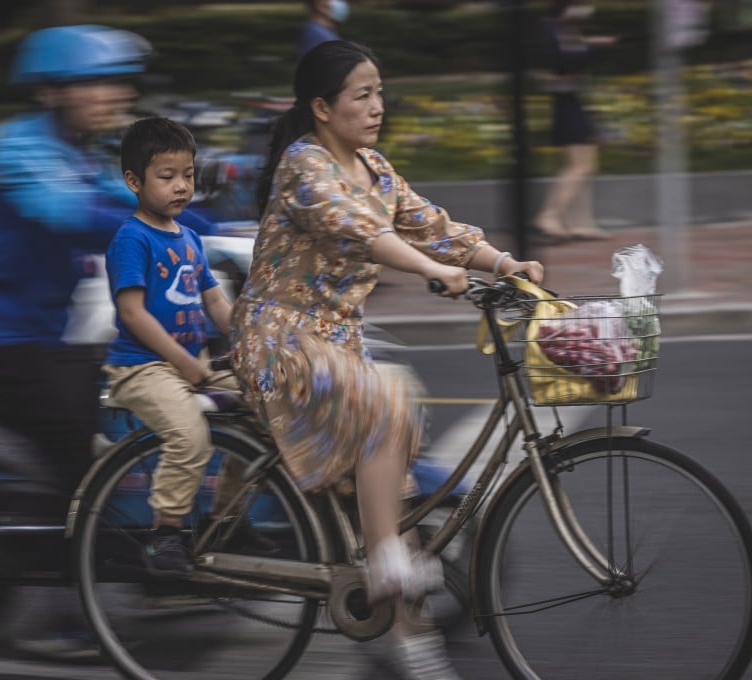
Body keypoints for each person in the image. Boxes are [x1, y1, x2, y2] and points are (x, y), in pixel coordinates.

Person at [230, 40, 544, 679]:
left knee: (392, 486)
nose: (377, 106)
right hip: (278, 343)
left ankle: (410, 637)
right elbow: (362, 231)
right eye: (362, 95)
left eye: (379, 92)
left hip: (334, 344)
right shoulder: (305, 166)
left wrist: (504, 263)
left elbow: (434, 227)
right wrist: (433, 272)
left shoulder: (374, 166)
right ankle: (384, 570)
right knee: (386, 405)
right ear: (322, 107)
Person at [0, 24, 211, 658]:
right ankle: (51, 614)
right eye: (93, 81)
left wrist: (220, 227)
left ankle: (159, 556)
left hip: (50, 339)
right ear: (49, 92)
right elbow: (67, 214)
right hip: (2, 342)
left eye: (118, 80)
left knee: (156, 400)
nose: (112, 92)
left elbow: (139, 204)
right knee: (77, 452)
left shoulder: (85, 153)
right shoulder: (17, 148)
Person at [104, 117, 275, 577]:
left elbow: (216, 301)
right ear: (134, 181)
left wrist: (251, 340)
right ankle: (166, 536)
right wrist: (183, 362)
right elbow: (133, 314)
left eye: (188, 175)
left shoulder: (189, 238)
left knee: (262, 411)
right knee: (189, 434)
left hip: (189, 365)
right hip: (143, 369)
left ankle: (227, 520)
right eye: (167, 177)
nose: (181, 186)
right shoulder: (132, 239)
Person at [531, 0, 617, 242]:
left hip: (571, 99)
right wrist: (593, 48)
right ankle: (548, 216)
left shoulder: (562, 28)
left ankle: (580, 223)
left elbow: (568, 57)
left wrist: (588, 45)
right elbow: (564, 61)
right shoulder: (552, 28)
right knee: (581, 165)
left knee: (582, 164)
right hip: (564, 101)